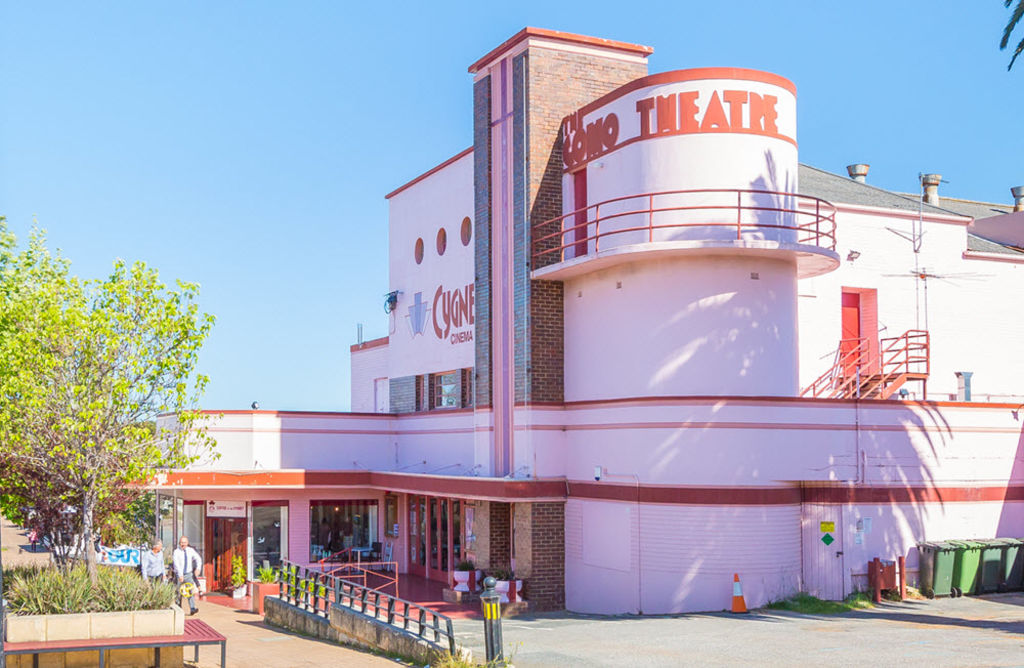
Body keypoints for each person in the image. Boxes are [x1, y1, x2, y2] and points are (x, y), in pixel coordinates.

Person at [172, 536, 202, 615]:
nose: (183, 544)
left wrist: (198, 569)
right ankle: (178, 608)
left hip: (188, 574)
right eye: (181, 542)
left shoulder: (190, 551)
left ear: (187, 543)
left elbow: (198, 559)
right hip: (179, 574)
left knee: (190, 591)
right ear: (179, 543)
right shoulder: (176, 552)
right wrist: (180, 575)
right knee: (178, 592)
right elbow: (176, 564)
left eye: (184, 542)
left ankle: (192, 608)